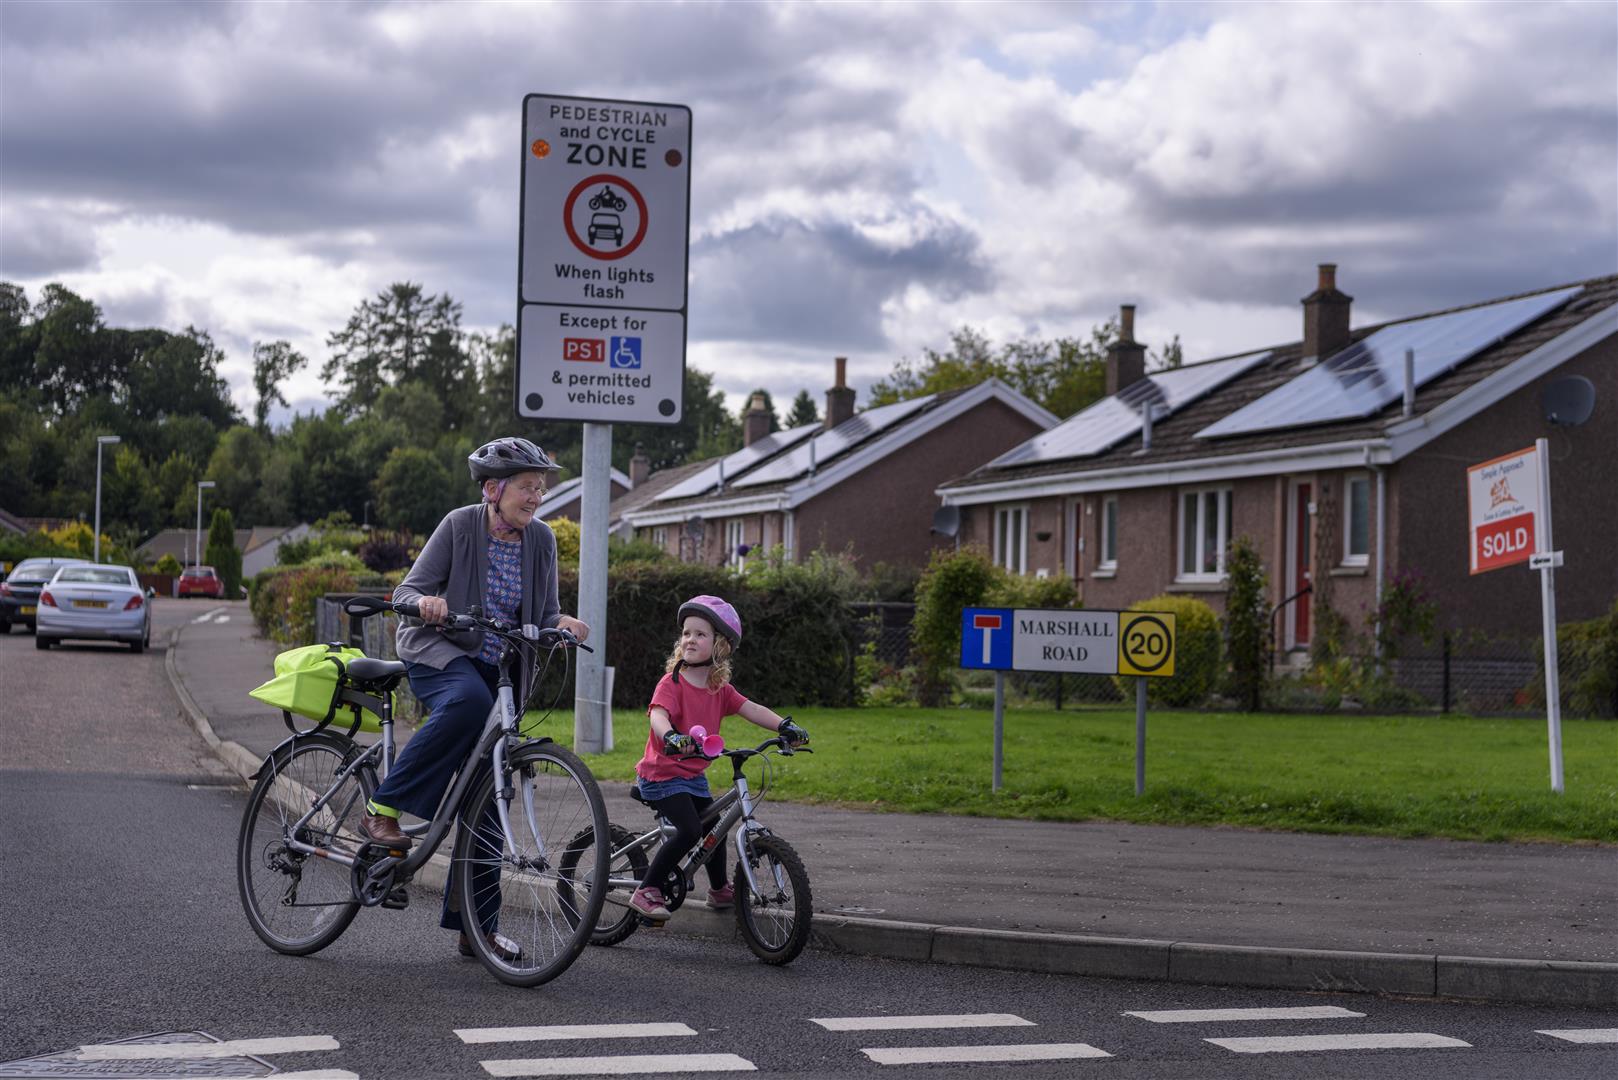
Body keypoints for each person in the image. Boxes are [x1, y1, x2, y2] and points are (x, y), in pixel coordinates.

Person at [358, 436, 590, 959]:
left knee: (490, 792)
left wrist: (564, 622)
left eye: (540, 488)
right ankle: (382, 807)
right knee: (463, 702)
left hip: (503, 669)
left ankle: (475, 928)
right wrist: (430, 604)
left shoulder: (542, 541)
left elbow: (546, 611)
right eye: (527, 487)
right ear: (493, 488)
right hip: (438, 651)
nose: (536, 497)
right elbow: (405, 594)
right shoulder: (460, 526)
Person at [628, 595, 808, 921]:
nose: (689, 640)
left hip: (692, 777)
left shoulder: (719, 687)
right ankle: (647, 890)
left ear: (720, 646)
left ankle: (719, 889)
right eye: (686, 633)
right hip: (662, 773)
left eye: (700, 634)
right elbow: (658, 715)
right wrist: (670, 735)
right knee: (689, 829)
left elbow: (750, 708)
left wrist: (784, 725)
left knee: (715, 827)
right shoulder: (673, 682)